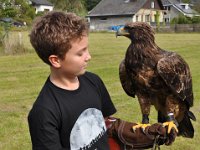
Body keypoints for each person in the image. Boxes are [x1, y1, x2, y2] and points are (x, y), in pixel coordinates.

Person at [28, 11, 176, 150]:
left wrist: (139, 133)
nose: (88, 56)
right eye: (80, 53)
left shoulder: (93, 82)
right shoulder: (44, 112)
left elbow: (104, 125)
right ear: (56, 60)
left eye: (87, 49)